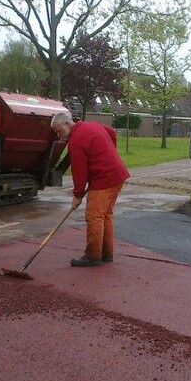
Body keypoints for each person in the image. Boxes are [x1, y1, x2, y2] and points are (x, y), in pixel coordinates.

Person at [50, 113, 130, 267]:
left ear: (67, 124)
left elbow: (79, 172)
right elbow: (112, 133)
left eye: (59, 131)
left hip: (104, 179)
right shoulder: (92, 124)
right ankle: (106, 254)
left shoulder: (76, 142)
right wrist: (111, 154)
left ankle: (93, 256)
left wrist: (77, 195)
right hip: (117, 175)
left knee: (94, 216)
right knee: (106, 215)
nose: (60, 136)